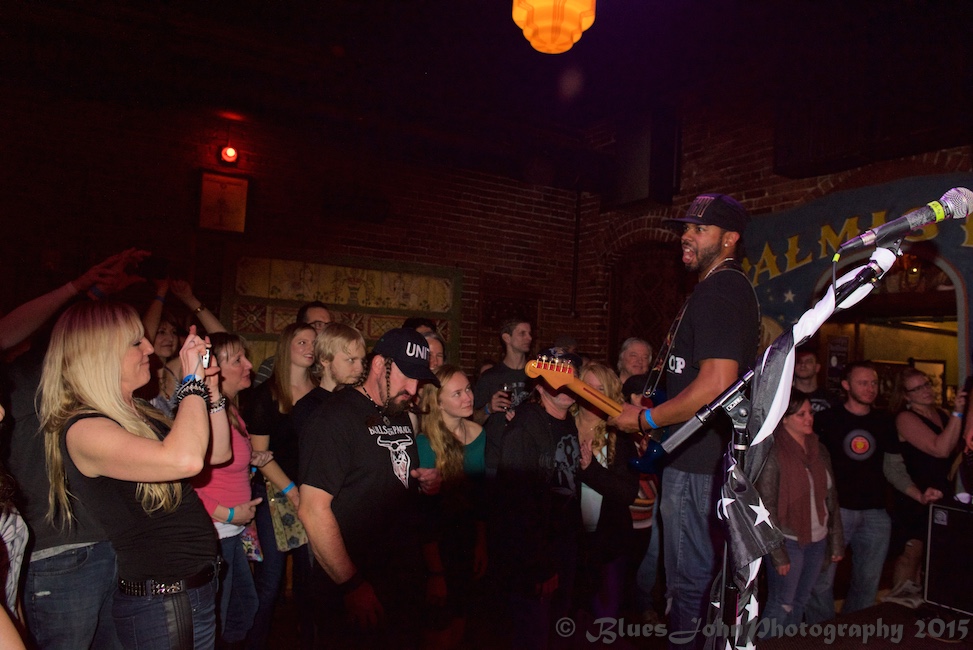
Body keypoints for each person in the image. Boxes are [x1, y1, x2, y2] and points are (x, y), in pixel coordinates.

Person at [611, 193, 759, 648]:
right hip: (692, 456)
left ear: (729, 239)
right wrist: (656, 416)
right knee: (691, 577)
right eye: (686, 229)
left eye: (699, 229)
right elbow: (690, 378)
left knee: (687, 584)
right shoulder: (713, 289)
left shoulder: (721, 289)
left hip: (696, 463)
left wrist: (646, 419)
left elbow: (715, 384)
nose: (686, 237)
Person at [39, 301, 229, 649]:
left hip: (190, 593)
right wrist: (191, 381)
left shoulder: (140, 411)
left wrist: (211, 390)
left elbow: (217, 454)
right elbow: (186, 460)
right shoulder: (85, 429)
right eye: (136, 342)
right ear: (100, 355)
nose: (149, 349)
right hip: (164, 605)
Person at [297, 327, 441, 649]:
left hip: (401, 579)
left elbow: (392, 484)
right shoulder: (334, 418)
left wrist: (424, 486)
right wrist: (351, 584)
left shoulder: (399, 414)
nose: (413, 389)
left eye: (418, 380)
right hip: (356, 583)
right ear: (378, 365)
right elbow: (312, 510)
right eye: (407, 377)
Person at [806, 362, 940, 622]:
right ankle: (820, 631)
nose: (870, 388)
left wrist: (918, 494)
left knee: (867, 582)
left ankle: (854, 629)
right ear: (846, 385)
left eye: (874, 383)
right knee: (821, 579)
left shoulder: (884, 421)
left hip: (875, 512)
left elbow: (893, 467)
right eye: (863, 383)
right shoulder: (827, 420)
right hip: (836, 511)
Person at [495, 346, 583, 649]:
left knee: (557, 630)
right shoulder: (524, 427)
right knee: (533, 632)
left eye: (572, 375)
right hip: (536, 553)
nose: (566, 382)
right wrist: (540, 565)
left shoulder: (570, 421)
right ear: (541, 384)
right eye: (559, 375)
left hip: (564, 544)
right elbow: (516, 505)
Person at [191, 333, 269, 648]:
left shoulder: (229, 410)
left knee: (243, 610)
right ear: (214, 370)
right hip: (216, 533)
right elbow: (186, 486)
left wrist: (252, 460)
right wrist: (229, 513)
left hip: (230, 533)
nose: (249, 365)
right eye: (238, 360)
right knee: (217, 622)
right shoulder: (204, 412)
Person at [243, 323, 317, 650]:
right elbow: (260, 456)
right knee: (270, 580)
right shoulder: (266, 395)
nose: (310, 348)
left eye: (313, 342)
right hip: (274, 492)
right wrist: (292, 491)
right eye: (302, 342)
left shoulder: (321, 394)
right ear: (286, 346)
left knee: (310, 576)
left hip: (311, 493)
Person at [756, 390, 844, 631]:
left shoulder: (819, 449)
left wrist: (836, 541)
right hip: (788, 539)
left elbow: (831, 498)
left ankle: (789, 643)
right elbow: (767, 506)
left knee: (801, 601)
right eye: (801, 414)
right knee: (782, 603)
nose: (809, 418)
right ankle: (764, 644)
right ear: (784, 419)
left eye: (810, 413)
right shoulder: (773, 452)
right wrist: (778, 553)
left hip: (818, 538)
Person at [416, 365, 487, 649]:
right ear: (439, 402)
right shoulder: (425, 443)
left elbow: (481, 499)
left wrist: (481, 544)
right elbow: (426, 516)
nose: (468, 397)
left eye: (468, 389)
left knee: (463, 623)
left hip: (468, 541)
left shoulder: (479, 434)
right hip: (438, 546)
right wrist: (436, 572)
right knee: (439, 631)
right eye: (457, 393)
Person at [888, 367, 965, 588]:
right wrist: (958, 413)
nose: (925, 391)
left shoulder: (942, 414)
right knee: (912, 553)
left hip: (941, 491)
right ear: (906, 396)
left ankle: (922, 599)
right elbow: (940, 449)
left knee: (934, 554)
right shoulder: (905, 418)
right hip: (916, 494)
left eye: (926, 384)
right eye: (917, 389)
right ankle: (898, 601)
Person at [574, 362, 639, 619]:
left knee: (605, 617)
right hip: (571, 541)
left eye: (599, 389)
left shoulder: (618, 435)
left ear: (610, 394)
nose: (591, 392)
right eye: (586, 386)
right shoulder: (562, 426)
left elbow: (628, 492)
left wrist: (590, 470)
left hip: (609, 541)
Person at [140, 278, 228, 417]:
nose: (170, 338)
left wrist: (190, 300)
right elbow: (145, 335)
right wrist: (160, 295)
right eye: (161, 332)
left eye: (174, 332)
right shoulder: (138, 375)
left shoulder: (176, 368)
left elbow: (225, 343)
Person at [291, 322, 366, 437]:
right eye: (351, 360)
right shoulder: (308, 408)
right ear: (325, 359)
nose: (360, 369)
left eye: (362, 361)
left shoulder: (361, 401)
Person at [253, 302, 332, 387]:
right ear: (301, 326)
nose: (325, 331)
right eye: (319, 325)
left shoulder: (329, 365)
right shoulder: (272, 366)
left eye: (328, 325)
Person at [473, 318, 533, 424]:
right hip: (497, 435)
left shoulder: (535, 375)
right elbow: (472, 420)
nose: (529, 338)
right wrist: (489, 408)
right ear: (507, 338)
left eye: (529, 333)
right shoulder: (489, 377)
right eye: (522, 333)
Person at [792, 345, 837, 414]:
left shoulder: (831, 399)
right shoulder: (786, 397)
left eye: (808, 361)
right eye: (798, 361)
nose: (803, 364)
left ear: (817, 367)